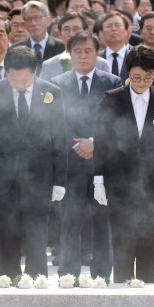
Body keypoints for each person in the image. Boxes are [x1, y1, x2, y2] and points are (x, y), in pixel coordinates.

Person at [93, 46, 154, 283]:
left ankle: (148, 292)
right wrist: (98, 180)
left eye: (148, 77)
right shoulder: (112, 99)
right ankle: (122, 290)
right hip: (119, 182)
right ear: (128, 74)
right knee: (122, 241)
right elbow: (102, 141)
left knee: (150, 242)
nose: (142, 82)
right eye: (136, 77)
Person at [0, 46, 67, 278]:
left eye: (25, 80)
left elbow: (60, 138)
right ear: (5, 72)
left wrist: (60, 181)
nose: (19, 84)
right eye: (13, 79)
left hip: (40, 177)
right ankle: (9, 280)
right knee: (7, 234)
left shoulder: (51, 93)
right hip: (2, 177)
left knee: (37, 234)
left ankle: (37, 281)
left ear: (35, 72)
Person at [51, 32, 121, 279]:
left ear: (97, 52)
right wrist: (76, 146)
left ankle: (101, 273)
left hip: (102, 163)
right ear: (69, 54)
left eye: (87, 51)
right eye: (77, 51)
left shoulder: (112, 83)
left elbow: (117, 122)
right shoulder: (57, 85)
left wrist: (94, 143)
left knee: (102, 220)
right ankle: (68, 272)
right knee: (70, 220)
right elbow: (53, 123)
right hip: (71, 163)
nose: (82, 56)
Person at [40, 12, 110, 81]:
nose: (71, 34)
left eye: (76, 29)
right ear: (60, 34)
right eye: (66, 29)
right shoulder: (49, 66)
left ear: (85, 32)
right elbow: (42, 91)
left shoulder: (101, 64)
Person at [13, 1, 64, 74]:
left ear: (48, 20)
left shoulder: (61, 47)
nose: (33, 23)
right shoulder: (16, 50)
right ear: (24, 24)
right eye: (29, 19)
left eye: (37, 18)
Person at [98, 11, 133, 80]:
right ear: (102, 32)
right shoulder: (96, 60)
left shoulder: (136, 58)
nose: (113, 29)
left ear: (126, 31)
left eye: (117, 25)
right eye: (109, 26)